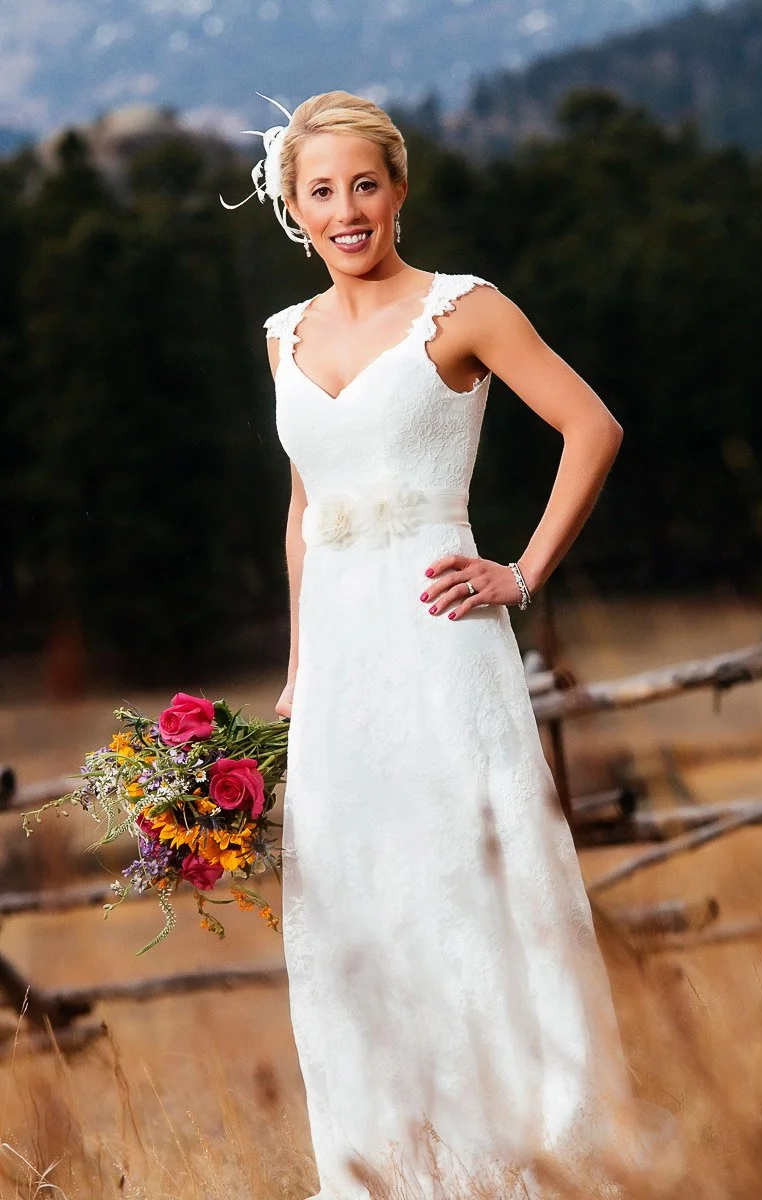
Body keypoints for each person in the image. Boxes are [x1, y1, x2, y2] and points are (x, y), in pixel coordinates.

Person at [224, 89, 682, 1200]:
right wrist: (295, 673)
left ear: (398, 191)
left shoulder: (463, 309)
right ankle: (391, 1173)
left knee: (469, 888)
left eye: (364, 187)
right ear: (292, 205)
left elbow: (592, 426)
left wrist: (518, 572)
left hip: (440, 650)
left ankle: (535, 1166)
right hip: (339, 672)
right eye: (321, 192)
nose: (347, 211)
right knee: (358, 907)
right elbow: (303, 508)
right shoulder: (283, 335)